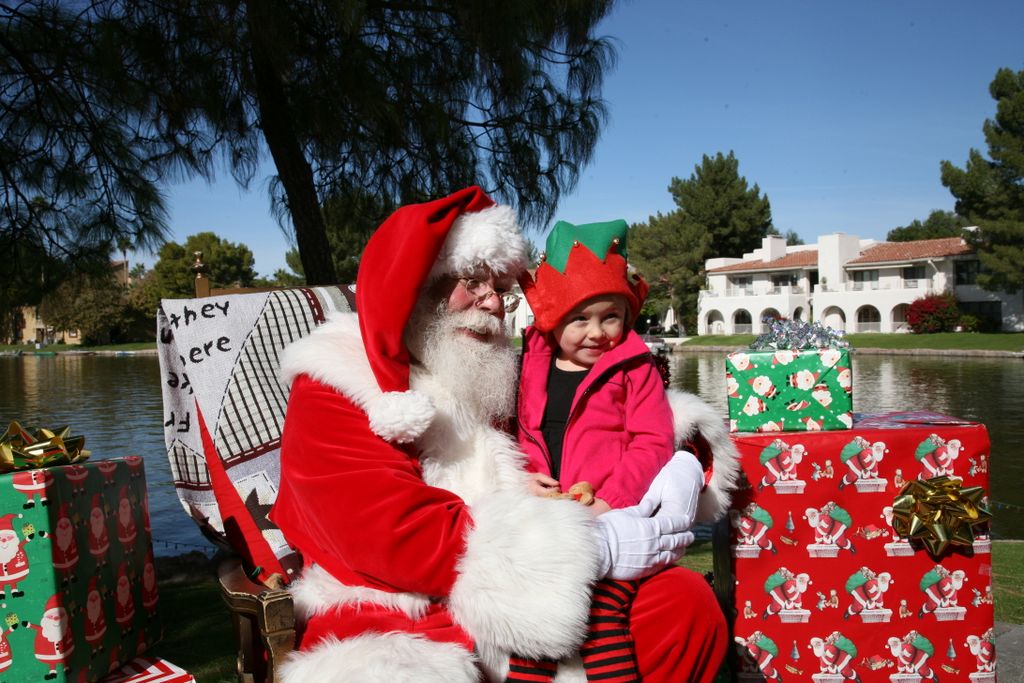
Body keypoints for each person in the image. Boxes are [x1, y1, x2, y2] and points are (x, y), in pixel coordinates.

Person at [269, 187, 737, 682]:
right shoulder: (334, 381)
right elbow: (389, 532)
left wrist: (683, 451)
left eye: (500, 289)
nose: (492, 302)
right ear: (412, 288)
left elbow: (589, 423)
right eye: (472, 282)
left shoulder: (483, 371)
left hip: (516, 578)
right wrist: (590, 547)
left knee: (683, 606)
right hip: (396, 607)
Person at [513, 218, 706, 682]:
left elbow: (652, 441)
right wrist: (523, 480)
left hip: (614, 521)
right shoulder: (530, 366)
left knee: (602, 618)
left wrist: (610, 501)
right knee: (530, 620)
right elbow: (520, 435)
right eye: (580, 319)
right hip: (548, 517)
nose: (597, 332)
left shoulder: (634, 368)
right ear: (553, 318)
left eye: (610, 317)